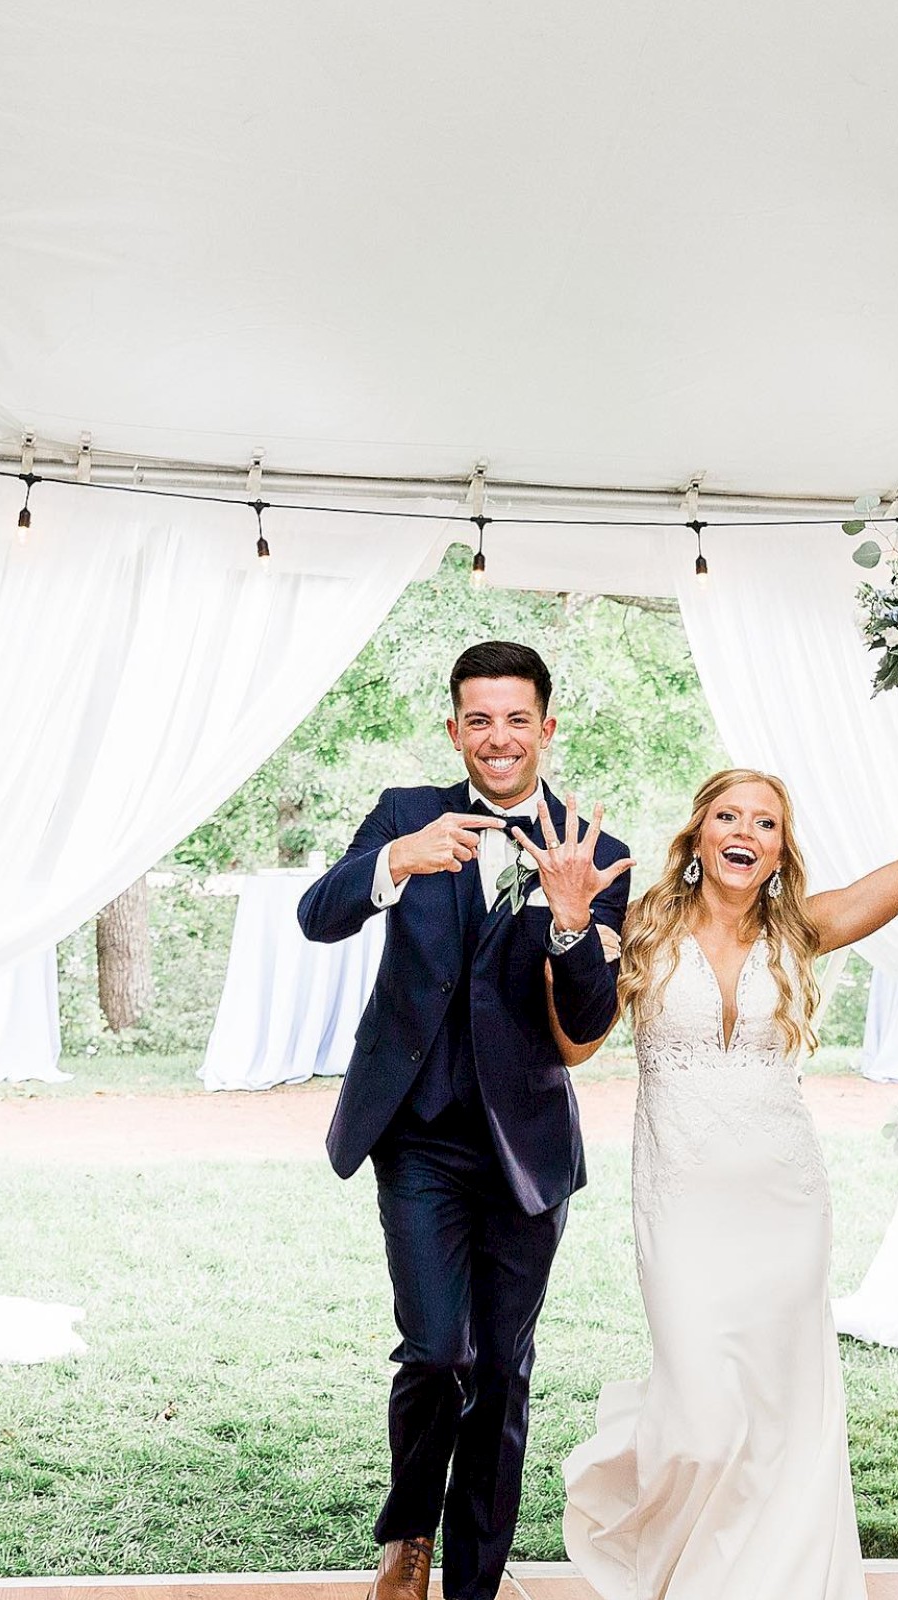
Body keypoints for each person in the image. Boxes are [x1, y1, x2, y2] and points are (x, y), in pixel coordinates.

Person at [561, 688, 898, 1600]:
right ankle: (672, 1562)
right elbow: (572, 1044)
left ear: (780, 850)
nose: (745, 830)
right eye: (728, 815)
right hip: (679, 1206)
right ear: (700, 834)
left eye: (765, 821)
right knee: (704, 1419)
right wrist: (569, 930)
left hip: (783, 1209)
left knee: (782, 1414)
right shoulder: (639, 927)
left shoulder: (804, 930)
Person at [298, 640, 633, 1600]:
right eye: (477, 721)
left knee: (504, 1369)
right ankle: (407, 1537)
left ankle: (475, 1583)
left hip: (527, 1146)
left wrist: (570, 921)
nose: (497, 739)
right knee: (439, 1349)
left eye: (515, 719)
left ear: (547, 727)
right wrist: (393, 863)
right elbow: (317, 917)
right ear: (455, 729)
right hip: (419, 1134)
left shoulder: (594, 849)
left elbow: (592, 1019)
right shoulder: (408, 814)